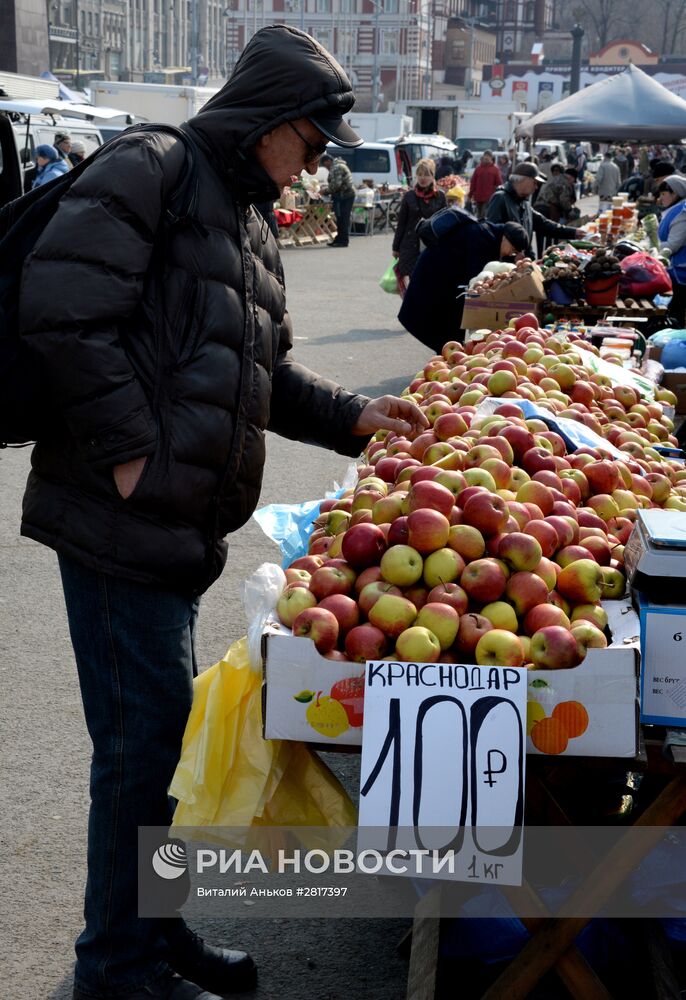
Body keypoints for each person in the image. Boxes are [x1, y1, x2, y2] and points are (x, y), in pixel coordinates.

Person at [18, 26, 428, 1000]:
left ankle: (157, 932)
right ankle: (114, 965)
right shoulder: (152, 166)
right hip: (118, 520)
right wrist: (129, 455)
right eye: (315, 141)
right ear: (270, 121)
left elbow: (257, 374)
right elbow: (60, 307)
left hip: (175, 531)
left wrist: (353, 415)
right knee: (138, 751)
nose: (319, 162)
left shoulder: (244, 216)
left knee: (164, 747)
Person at [397, 212, 529, 350]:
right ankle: (447, 360)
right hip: (434, 279)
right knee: (440, 328)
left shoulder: (489, 234)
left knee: (448, 332)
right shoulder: (483, 238)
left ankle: (447, 357)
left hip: (443, 279)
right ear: (506, 239)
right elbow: (476, 279)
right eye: (512, 250)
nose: (510, 254)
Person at [485, 162, 584, 255]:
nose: (536, 187)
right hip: (505, 265)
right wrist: (511, 255)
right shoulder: (500, 198)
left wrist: (573, 232)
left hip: (522, 262)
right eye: (535, 183)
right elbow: (491, 235)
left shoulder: (524, 203)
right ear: (524, 180)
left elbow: (543, 224)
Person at [392, 157, 446, 283]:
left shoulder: (440, 196)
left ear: (432, 176)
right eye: (420, 174)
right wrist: (396, 247)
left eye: (426, 174)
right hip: (410, 244)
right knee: (414, 282)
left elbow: (444, 223)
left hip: (432, 245)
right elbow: (401, 223)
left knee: (430, 281)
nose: (423, 178)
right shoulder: (409, 196)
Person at [657, 174, 686, 326]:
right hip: (674, 270)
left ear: (675, 193)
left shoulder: (683, 213)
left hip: (680, 272)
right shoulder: (675, 209)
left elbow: (673, 244)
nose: (661, 198)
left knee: (677, 311)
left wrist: (655, 249)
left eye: (664, 194)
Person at [321, 151, 356, 247]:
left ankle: (343, 240)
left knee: (343, 218)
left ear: (328, 161)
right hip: (344, 195)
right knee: (340, 218)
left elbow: (336, 185)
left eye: (325, 165)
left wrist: (325, 191)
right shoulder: (338, 165)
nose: (326, 168)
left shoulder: (336, 167)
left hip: (345, 195)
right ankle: (339, 239)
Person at [468, 150, 502, 219]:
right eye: (485, 157)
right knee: (478, 216)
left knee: (484, 216)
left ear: (491, 158)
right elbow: (473, 182)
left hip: (489, 198)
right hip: (478, 197)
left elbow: (499, 183)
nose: (486, 159)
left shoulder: (495, 169)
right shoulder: (478, 169)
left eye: (487, 158)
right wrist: (470, 195)